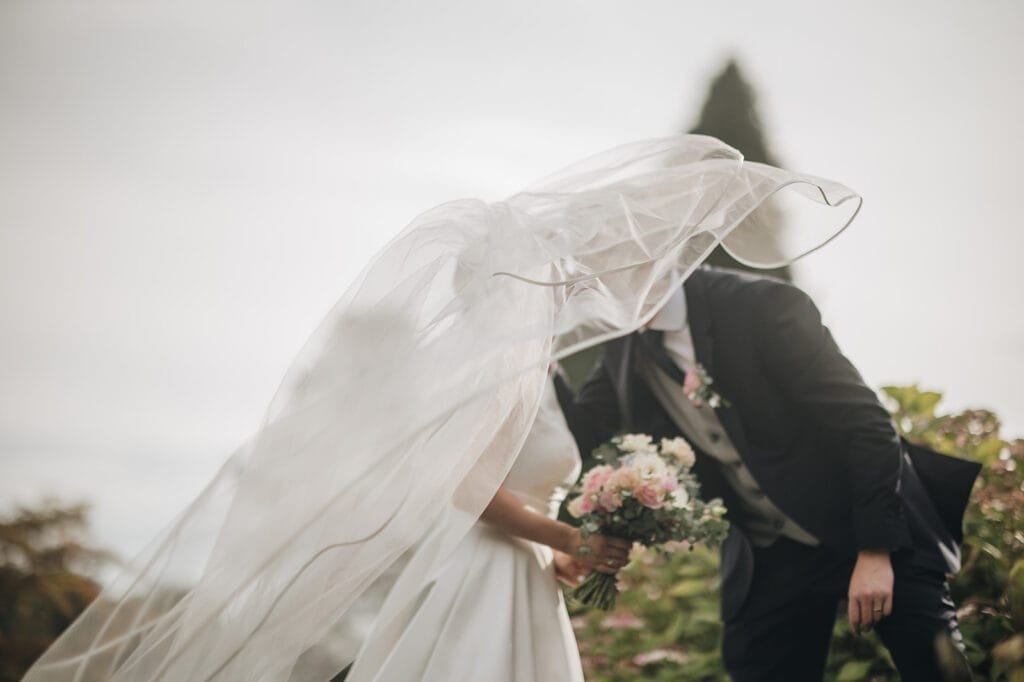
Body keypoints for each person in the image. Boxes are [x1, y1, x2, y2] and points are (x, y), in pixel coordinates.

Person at [23, 135, 864, 681]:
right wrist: (569, 536)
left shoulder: (529, 367)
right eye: (561, 275)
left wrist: (563, 547)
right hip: (484, 577)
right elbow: (463, 489)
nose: (575, 285)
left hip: (511, 572)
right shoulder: (502, 367)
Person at [557, 265, 980, 681]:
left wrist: (874, 551)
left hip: (866, 518)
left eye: (610, 266)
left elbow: (867, 424)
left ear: (661, 253)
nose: (597, 282)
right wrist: (537, 365)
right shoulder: (624, 343)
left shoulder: (761, 305)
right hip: (769, 551)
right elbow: (586, 428)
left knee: (938, 669)